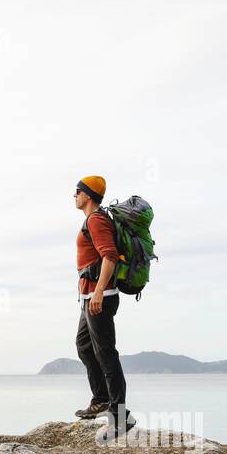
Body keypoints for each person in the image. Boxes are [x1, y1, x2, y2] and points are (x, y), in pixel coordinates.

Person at [71, 175, 135, 440]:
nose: (73, 196)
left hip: (101, 295)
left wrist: (98, 293)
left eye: (77, 191)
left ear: (87, 195)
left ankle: (120, 417)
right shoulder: (92, 220)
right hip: (89, 297)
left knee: (106, 353)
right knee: (84, 347)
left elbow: (109, 256)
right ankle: (101, 399)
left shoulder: (96, 220)